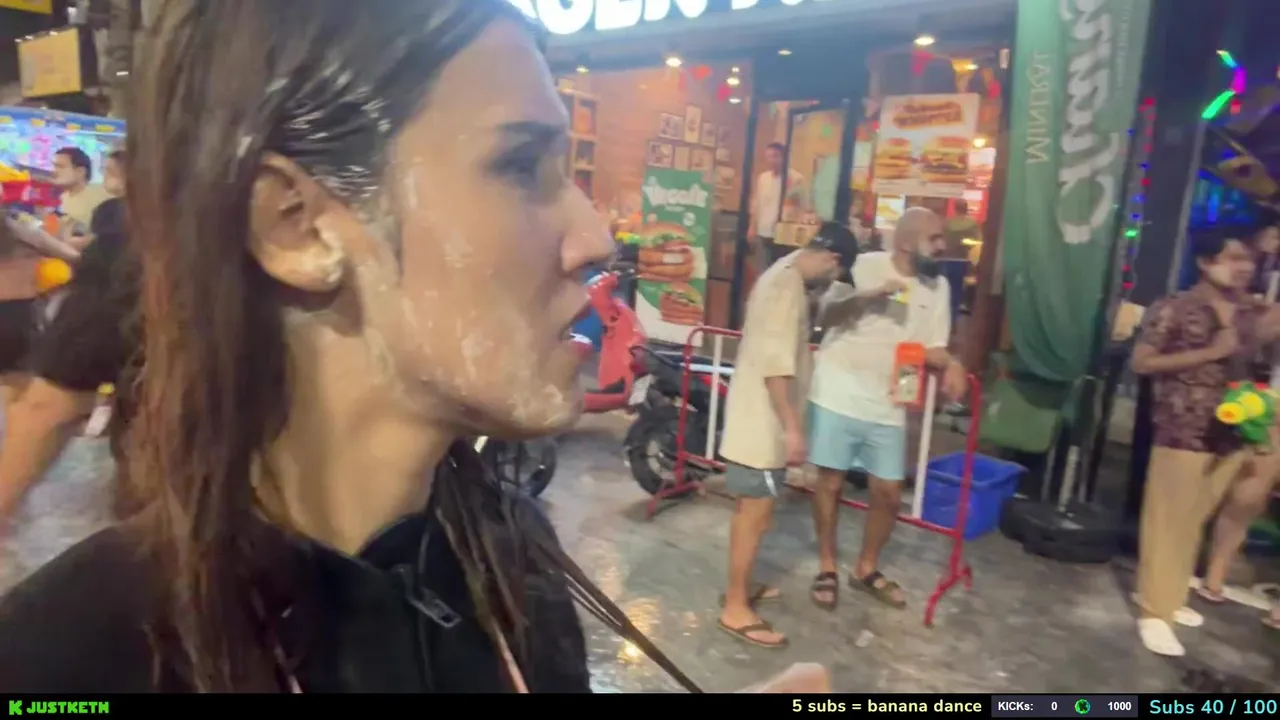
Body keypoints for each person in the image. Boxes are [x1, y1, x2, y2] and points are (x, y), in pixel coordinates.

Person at [0, 0, 829, 695]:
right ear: (294, 225)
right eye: (520, 164)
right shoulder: (65, 660)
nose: (594, 237)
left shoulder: (513, 561)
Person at [806, 207, 967, 612]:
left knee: (889, 491)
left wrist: (953, 363)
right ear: (907, 242)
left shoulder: (939, 287)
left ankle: (866, 567)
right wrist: (865, 298)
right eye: (934, 238)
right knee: (830, 482)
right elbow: (825, 317)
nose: (942, 246)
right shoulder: (863, 266)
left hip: (890, 399)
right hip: (839, 388)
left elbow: (933, 346)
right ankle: (827, 564)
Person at [1130, 232, 1280, 657]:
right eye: (1233, 258)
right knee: (1168, 520)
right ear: (1205, 262)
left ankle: (1170, 595)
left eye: (1248, 260)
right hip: (1184, 426)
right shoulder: (1176, 306)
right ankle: (1154, 612)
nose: (1243, 267)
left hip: (1231, 431)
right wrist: (1210, 352)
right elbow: (1142, 362)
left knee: (1194, 519)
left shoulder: (1249, 311)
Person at [716, 222, 855, 649]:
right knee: (754, 514)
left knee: (756, 512)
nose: (831, 283)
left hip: (762, 419)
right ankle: (735, 607)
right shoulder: (786, 288)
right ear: (833, 261)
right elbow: (776, 367)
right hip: (763, 424)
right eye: (836, 274)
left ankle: (741, 588)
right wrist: (793, 428)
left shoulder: (784, 270)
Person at [748, 142, 805, 272]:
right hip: (763, 230)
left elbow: (802, 206)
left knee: (781, 269)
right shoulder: (763, 178)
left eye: (775, 156)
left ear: (784, 157)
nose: (772, 160)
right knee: (763, 268)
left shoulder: (796, 178)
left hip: (785, 232)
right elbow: (756, 203)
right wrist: (752, 226)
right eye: (768, 157)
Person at [50, 148, 111, 249]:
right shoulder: (58, 199)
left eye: (60, 166)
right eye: (53, 166)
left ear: (80, 171)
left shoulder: (103, 195)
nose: (54, 171)